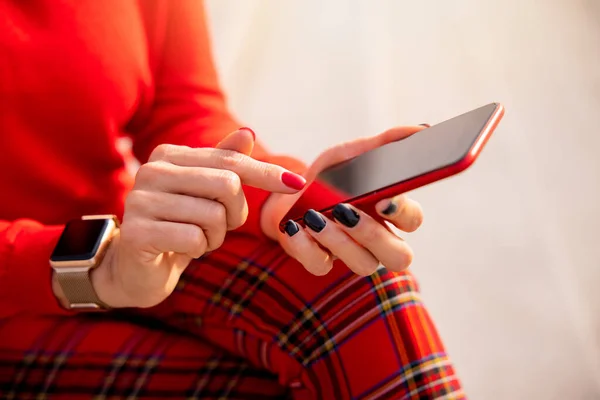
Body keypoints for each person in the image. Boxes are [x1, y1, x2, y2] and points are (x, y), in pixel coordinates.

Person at [0, 1, 464, 399]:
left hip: (125, 249)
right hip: (36, 282)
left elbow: (180, 110)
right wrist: (96, 272)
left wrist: (285, 194)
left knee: (352, 274)